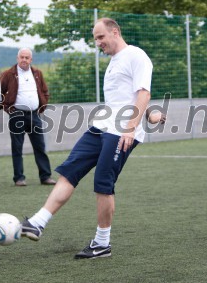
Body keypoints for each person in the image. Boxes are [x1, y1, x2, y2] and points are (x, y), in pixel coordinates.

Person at [19, 18, 154, 259]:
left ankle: (102, 243)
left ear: (115, 32)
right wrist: (151, 113)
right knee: (70, 171)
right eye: (95, 39)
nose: (98, 43)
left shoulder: (136, 55)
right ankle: (37, 223)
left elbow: (144, 91)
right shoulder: (114, 61)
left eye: (101, 37)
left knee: (103, 182)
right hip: (101, 126)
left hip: (121, 131)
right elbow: (128, 96)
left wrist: (131, 128)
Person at [0, 47, 56, 186]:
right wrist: (7, 109)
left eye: (27, 57)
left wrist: (42, 106)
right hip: (16, 115)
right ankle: (19, 178)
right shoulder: (9, 74)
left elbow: (45, 91)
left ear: (31, 59)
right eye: (22, 57)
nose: (24, 60)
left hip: (34, 114)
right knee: (17, 147)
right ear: (17, 58)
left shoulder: (37, 73)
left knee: (40, 146)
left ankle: (45, 176)